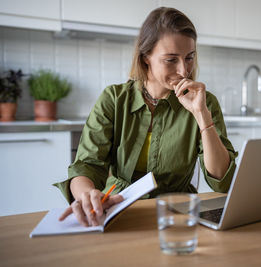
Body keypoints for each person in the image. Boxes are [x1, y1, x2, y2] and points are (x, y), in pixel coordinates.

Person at [55, 7, 237, 227]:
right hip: (118, 210)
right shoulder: (114, 99)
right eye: (171, 60)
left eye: (189, 57)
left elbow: (221, 181)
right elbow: (87, 166)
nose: (184, 70)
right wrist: (86, 194)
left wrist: (201, 115)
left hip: (177, 216)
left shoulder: (205, 103)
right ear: (145, 58)